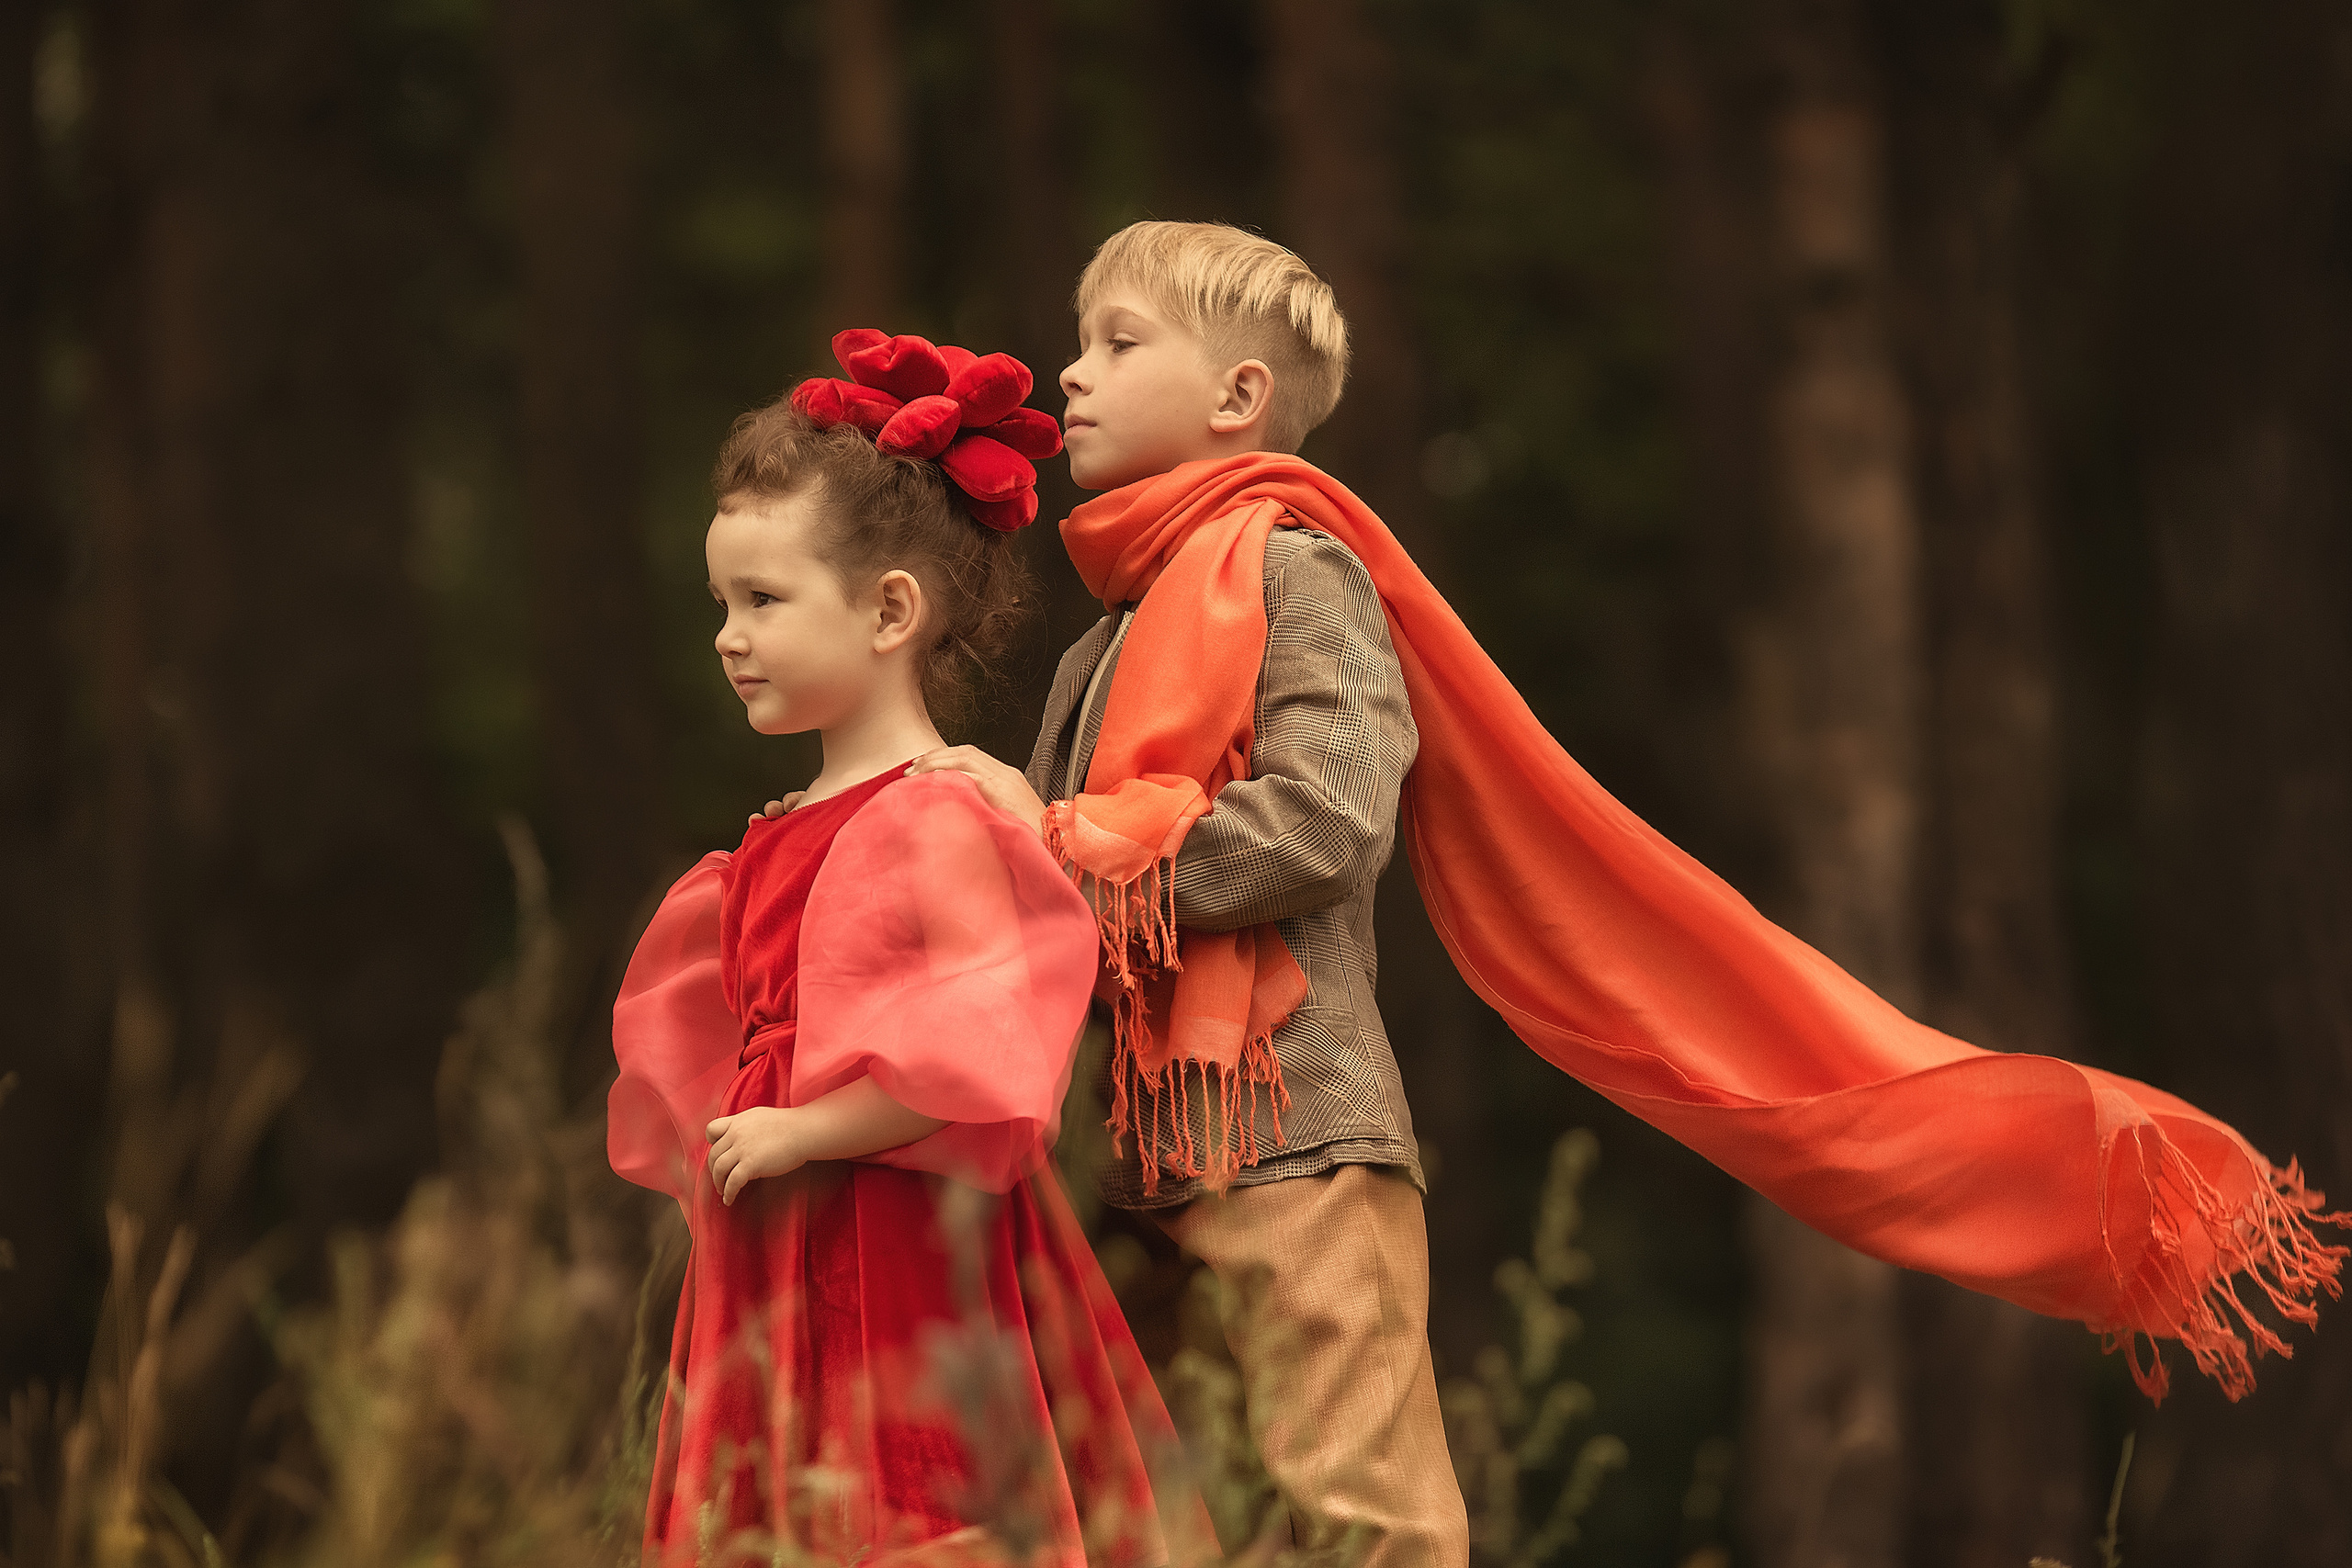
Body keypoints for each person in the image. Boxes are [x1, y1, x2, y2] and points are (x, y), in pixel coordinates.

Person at [888, 219, 2347, 1565]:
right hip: (1118, 1151)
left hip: (1287, 1133)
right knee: (1140, 1518)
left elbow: (1324, 825)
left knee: (1361, 1515)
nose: (1070, 372)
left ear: (1239, 395)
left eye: (1118, 340)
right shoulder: (1096, 649)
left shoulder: (1299, 572)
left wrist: (1077, 858)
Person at [605, 332, 1213, 1567]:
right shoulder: (769, 839)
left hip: (899, 1249)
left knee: (906, 1494)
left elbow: (980, 1058)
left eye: (764, 602)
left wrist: (800, 1129)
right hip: (782, 1244)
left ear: (890, 609)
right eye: (722, 603)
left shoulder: (936, 814)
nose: (729, 636)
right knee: (773, 1491)